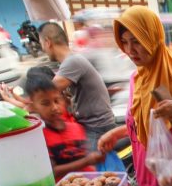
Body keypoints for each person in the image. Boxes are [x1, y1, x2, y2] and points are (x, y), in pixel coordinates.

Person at [97, 6, 172, 186]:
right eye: (124, 42)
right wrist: (117, 133)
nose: (129, 50)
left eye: (136, 41)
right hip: (148, 180)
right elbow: (147, 124)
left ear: (151, 38)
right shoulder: (137, 78)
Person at [38, 22, 116, 152]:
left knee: (85, 165)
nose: (43, 49)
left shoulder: (72, 62)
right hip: (90, 123)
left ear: (48, 42)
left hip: (96, 127)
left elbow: (46, 92)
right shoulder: (70, 62)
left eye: (41, 44)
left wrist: (22, 103)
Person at [24, 73, 104, 180]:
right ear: (33, 106)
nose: (54, 107)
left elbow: (87, 161)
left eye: (56, 100)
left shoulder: (77, 128)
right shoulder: (39, 137)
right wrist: (88, 161)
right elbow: (53, 172)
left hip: (89, 183)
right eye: (45, 103)